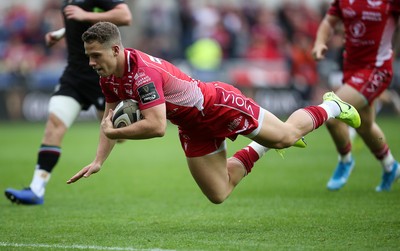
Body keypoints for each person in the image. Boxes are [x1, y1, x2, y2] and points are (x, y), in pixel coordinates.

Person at [66, 22, 360, 204]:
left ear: (116, 50)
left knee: (286, 137)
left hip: (217, 105)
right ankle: (260, 146)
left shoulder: (143, 74)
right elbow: (108, 121)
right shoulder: (107, 77)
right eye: (88, 56)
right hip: (193, 126)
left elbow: (155, 127)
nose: (91, 62)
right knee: (219, 193)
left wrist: (115, 132)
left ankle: (333, 105)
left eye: (96, 55)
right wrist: (99, 160)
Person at [5, 1, 132, 205]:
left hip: (101, 76)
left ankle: (123, 130)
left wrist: (84, 15)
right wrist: (62, 32)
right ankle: (36, 189)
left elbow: (125, 16)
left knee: (116, 133)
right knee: (54, 125)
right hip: (73, 76)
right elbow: (81, 20)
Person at [312, 0, 400, 192]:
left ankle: (345, 160)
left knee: (333, 114)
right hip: (351, 68)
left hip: (376, 69)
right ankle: (390, 165)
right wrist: (319, 42)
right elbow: (329, 22)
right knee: (364, 125)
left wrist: (393, 52)